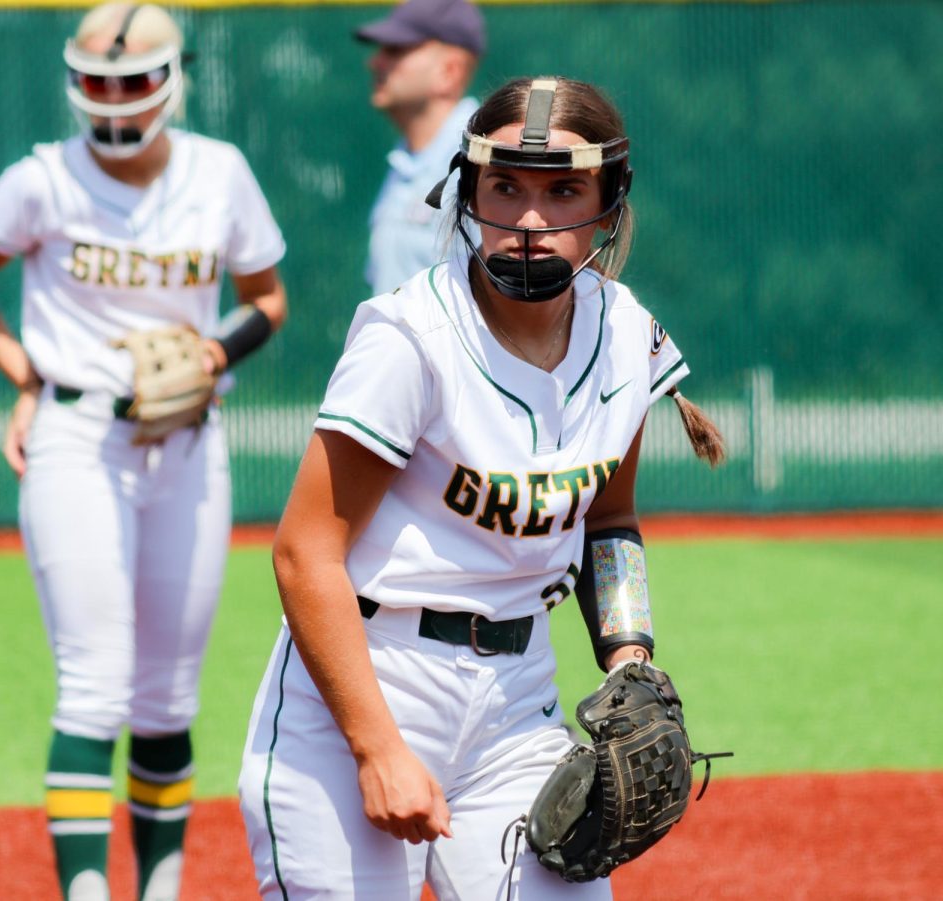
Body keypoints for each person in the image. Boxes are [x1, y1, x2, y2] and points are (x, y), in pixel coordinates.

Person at [238, 76, 723, 899]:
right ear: (467, 192)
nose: (531, 221)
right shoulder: (411, 339)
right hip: (363, 683)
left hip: (515, 698)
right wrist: (376, 747)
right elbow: (304, 554)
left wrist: (629, 657)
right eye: (505, 187)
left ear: (609, 204)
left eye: (564, 190)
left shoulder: (626, 336)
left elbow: (609, 518)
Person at [0, 4, 287, 900]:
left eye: (132, 81)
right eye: (96, 81)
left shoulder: (220, 173)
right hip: (78, 435)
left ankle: (158, 892)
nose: (115, 100)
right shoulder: (43, 179)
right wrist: (26, 375)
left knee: (168, 696)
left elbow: (268, 299)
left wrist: (213, 353)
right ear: (72, 81)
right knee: (94, 684)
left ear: (172, 78)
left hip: (189, 439)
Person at [354, 0, 486, 295]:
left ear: (449, 71)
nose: (375, 62)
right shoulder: (408, 159)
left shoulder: (482, 159)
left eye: (396, 49)